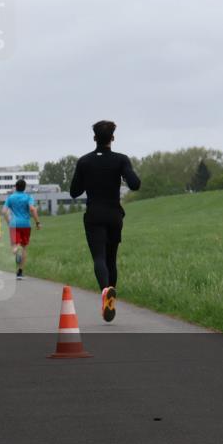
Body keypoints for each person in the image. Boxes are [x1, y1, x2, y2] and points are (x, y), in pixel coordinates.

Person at [69, 120, 141, 323]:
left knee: (99, 258)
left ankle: (105, 291)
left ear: (94, 138)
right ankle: (111, 300)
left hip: (94, 215)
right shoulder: (121, 160)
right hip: (114, 215)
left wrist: (87, 178)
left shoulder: (84, 162)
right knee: (111, 259)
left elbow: (75, 192)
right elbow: (135, 184)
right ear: (113, 138)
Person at [2, 179, 40, 280]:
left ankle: (16, 249)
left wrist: (8, 221)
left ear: (15, 186)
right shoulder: (28, 197)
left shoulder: (10, 198)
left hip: (14, 224)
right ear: (24, 187)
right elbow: (32, 209)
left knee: (14, 245)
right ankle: (20, 272)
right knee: (24, 247)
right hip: (25, 224)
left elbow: (4, 211)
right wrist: (37, 222)